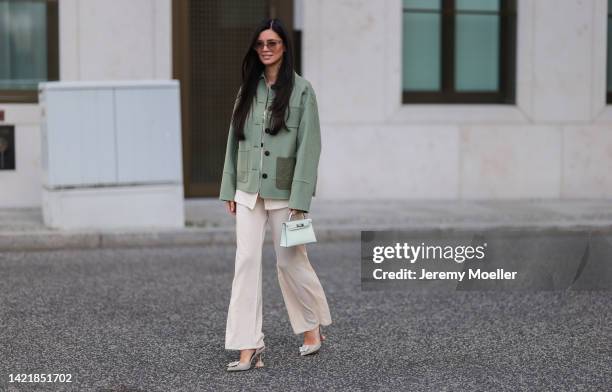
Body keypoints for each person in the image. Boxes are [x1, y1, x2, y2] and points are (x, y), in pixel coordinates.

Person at [219, 18, 332, 372]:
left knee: (290, 260)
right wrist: (229, 188)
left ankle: (311, 325)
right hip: (249, 188)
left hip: (286, 192)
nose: (266, 49)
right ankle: (247, 347)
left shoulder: (302, 91)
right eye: (261, 44)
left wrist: (301, 199)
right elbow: (233, 141)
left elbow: (309, 147)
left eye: (273, 43)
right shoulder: (247, 90)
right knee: (246, 262)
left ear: (285, 47)